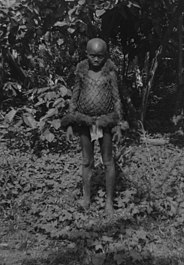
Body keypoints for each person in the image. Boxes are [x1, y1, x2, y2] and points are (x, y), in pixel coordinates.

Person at [61, 38, 124, 215]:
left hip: (105, 122)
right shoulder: (81, 72)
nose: (96, 60)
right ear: (86, 54)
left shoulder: (110, 73)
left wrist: (118, 124)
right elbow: (74, 97)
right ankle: (87, 198)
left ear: (106, 56)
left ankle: (109, 202)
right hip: (84, 121)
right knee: (87, 161)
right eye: (92, 56)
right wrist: (70, 123)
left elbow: (116, 99)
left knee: (108, 161)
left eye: (100, 56)